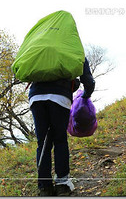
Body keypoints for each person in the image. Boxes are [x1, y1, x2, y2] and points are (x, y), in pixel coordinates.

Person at [29, 58, 95, 196]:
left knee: (43, 143)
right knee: (59, 140)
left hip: (36, 96)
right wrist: (85, 95)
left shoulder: (40, 46)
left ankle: (44, 187)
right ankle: (62, 184)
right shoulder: (71, 47)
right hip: (60, 96)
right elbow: (88, 79)